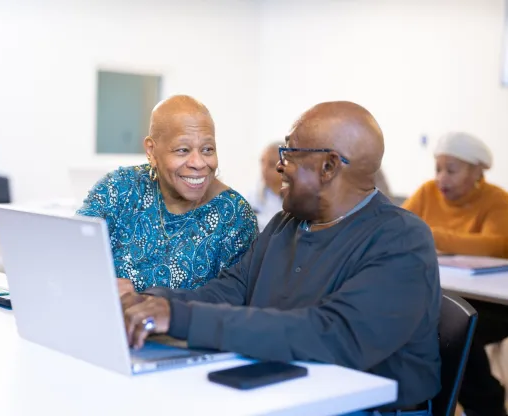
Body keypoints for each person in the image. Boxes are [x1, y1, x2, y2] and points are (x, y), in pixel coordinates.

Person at [121, 101, 441, 414]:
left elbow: (329, 335)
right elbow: (227, 292)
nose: (278, 165)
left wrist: (179, 317)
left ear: (328, 166)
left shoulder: (401, 239)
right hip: (284, 388)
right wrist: (145, 302)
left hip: (362, 406)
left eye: (289, 153)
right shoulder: (285, 224)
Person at [77, 95, 258, 293]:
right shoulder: (119, 188)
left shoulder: (234, 215)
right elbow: (69, 251)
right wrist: (100, 286)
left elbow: (233, 301)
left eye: (207, 149)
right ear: (151, 150)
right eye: (182, 150)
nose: (198, 163)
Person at [404, 132, 508, 416]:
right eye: (438, 169)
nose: (441, 178)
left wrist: (428, 234)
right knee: (424, 321)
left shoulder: (497, 200)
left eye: (451, 170)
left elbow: (494, 245)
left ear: (477, 171)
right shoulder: (427, 192)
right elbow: (400, 229)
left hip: (494, 304)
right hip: (442, 293)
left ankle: (486, 405)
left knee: (457, 329)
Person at [245, 142, 284, 231]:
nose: (264, 169)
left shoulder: (298, 203)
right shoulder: (252, 198)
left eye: (271, 164)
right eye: (262, 162)